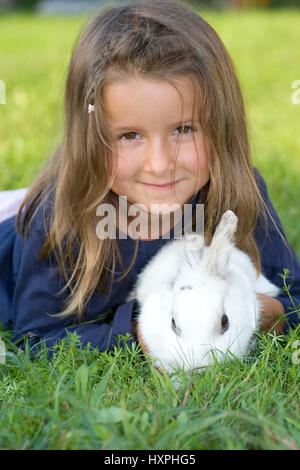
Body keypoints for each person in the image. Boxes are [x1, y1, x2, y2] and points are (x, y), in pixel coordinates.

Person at [0, 0, 299, 358]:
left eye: (183, 129)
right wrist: (137, 329)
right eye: (129, 136)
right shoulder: (56, 216)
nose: (159, 166)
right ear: (90, 138)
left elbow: (292, 298)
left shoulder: (237, 192)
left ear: (222, 127)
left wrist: (257, 312)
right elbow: (37, 339)